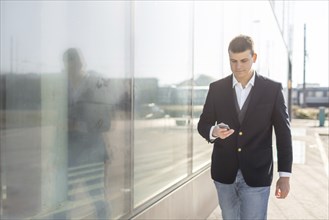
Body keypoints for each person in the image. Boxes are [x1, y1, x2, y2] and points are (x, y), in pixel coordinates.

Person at [198, 35, 293, 220]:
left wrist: (285, 175)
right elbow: (203, 123)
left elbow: (283, 134)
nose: (238, 66)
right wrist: (214, 131)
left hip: (257, 173)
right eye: (233, 61)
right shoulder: (216, 88)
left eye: (243, 60)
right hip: (224, 173)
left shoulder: (272, 89)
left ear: (254, 58)